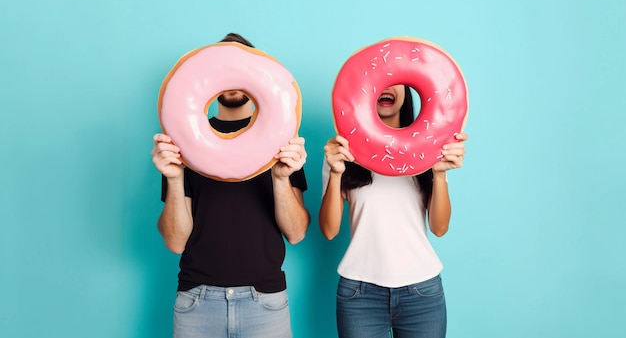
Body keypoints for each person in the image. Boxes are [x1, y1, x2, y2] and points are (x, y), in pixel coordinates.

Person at [152, 33, 310, 338]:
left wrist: (280, 178)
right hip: (197, 302)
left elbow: (297, 232)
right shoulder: (182, 142)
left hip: (264, 302)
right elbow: (175, 242)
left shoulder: (283, 141)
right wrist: (173, 177)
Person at [319, 84, 468, 338]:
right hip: (359, 294)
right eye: (378, 80)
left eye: (394, 80)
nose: (385, 86)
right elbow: (329, 230)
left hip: (422, 293)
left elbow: (440, 228)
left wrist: (439, 173)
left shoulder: (429, 147)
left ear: (408, 92)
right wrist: (335, 173)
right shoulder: (343, 151)